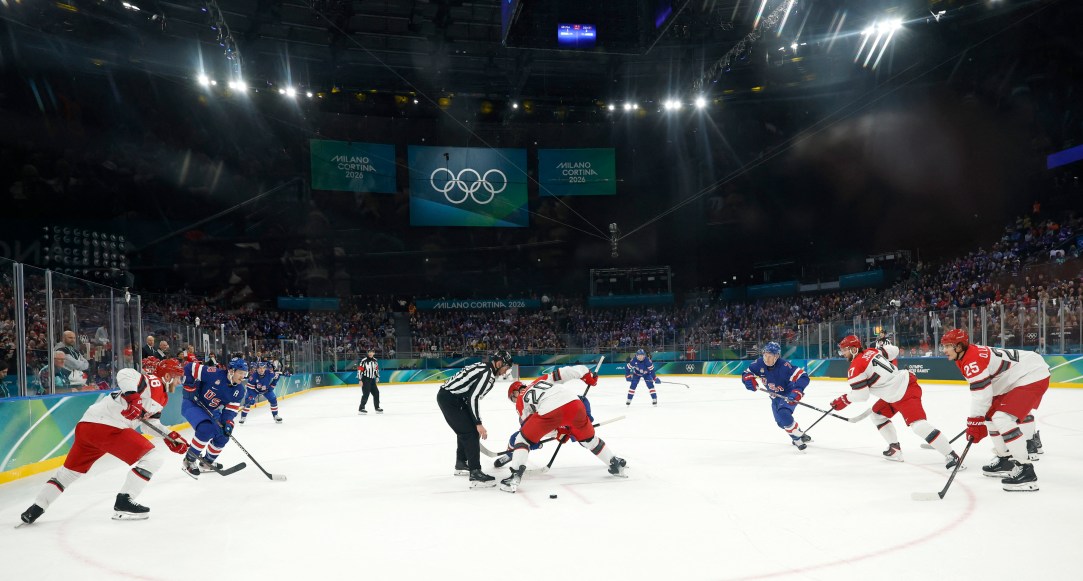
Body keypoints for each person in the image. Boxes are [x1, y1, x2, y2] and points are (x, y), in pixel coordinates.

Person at [19, 368, 190, 525]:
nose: (179, 381)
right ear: (167, 376)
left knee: (69, 473)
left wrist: (170, 436)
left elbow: (148, 425)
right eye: (176, 377)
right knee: (153, 458)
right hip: (109, 426)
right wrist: (134, 399)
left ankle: (36, 508)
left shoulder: (162, 398)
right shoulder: (154, 382)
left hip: (88, 427)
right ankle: (124, 502)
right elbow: (124, 373)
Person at [830, 335, 963, 469]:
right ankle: (894, 448)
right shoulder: (873, 351)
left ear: (853, 349)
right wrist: (882, 349)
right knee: (877, 415)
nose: (843, 354)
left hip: (905, 391)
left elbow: (862, 395)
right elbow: (894, 350)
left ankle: (952, 456)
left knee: (918, 426)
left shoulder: (855, 368)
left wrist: (844, 400)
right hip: (894, 393)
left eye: (845, 350)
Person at [940, 329, 1049, 491]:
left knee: (1002, 418)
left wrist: (974, 421)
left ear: (960, 346)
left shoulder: (972, 360)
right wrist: (978, 419)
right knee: (990, 418)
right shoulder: (964, 356)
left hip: (1032, 374)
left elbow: (982, 395)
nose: (944, 350)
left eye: (948, 346)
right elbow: (985, 392)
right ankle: (1005, 458)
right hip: (1015, 376)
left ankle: (1026, 469)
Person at [499, 365, 626, 493]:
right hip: (575, 404)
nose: (514, 401)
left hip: (551, 411)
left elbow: (529, 427)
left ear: (516, 391)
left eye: (513, 397)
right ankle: (614, 462)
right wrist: (586, 375)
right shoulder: (542, 379)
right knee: (589, 440)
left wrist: (556, 433)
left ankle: (515, 476)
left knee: (523, 438)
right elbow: (566, 371)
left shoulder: (521, 401)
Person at [436, 350, 514, 488]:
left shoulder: (484, 367)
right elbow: (473, 398)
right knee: (471, 433)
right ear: (499, 363)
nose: (505, 371)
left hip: (452, 398)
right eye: (506, 367)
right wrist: (478, 423)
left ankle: (461, 463)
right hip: (450, 400)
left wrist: (475, 421)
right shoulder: (487, 374)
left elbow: (470, 395)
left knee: (467, 430)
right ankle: (475, 473)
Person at [493, 379, 596, 469]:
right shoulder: (524, 407)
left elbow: (581, 399)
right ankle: (511, 454)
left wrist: (587, 418)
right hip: (551, 424)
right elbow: (527, 430)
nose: (515, 401)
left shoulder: (536, 393)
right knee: (515, 438)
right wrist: (538, 441)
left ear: (519, 389)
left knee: (585, 441)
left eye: (513, 397)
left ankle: (608, 458)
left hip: (564, 416)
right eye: (513, 400)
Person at [179, 356, 249, 478]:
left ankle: (207, 462)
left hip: (211, 410)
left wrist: (227, 422)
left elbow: (230, 410)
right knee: (206, 430)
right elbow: (190, 367)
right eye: (241, 373)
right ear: (231, 371)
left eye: (244, 373)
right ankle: (189, 460)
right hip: (193, 404)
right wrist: (189, 386)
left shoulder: (239, 391)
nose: (243, 376)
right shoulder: (213, 373)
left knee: (223, 436)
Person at [741, 341, 813, 451]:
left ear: (777, 356)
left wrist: (797, 391)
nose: (767, 359)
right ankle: (800, 434)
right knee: (781, 423)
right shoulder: (759, 363)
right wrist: (748, 380)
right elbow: (747, 373)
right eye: (765, 355)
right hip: (774, 398)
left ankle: (797, 439)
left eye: (770, 356)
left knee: (783, 413)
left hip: (788, 395)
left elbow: (803, 377)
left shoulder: (785, 366)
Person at [357, 348, 382, 414]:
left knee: (376, 393)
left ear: (374, 353)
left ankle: (377, 407)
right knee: (366, 394)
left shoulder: (375, 361)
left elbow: (376, 370)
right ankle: (361, 408)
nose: (371, 353)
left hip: (372, 380)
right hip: (365, 379)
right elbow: (360, 370)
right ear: (367, 353)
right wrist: (360, 380)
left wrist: (377, 377)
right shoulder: (363, 361)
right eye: (369, 352)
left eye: (372, 352)